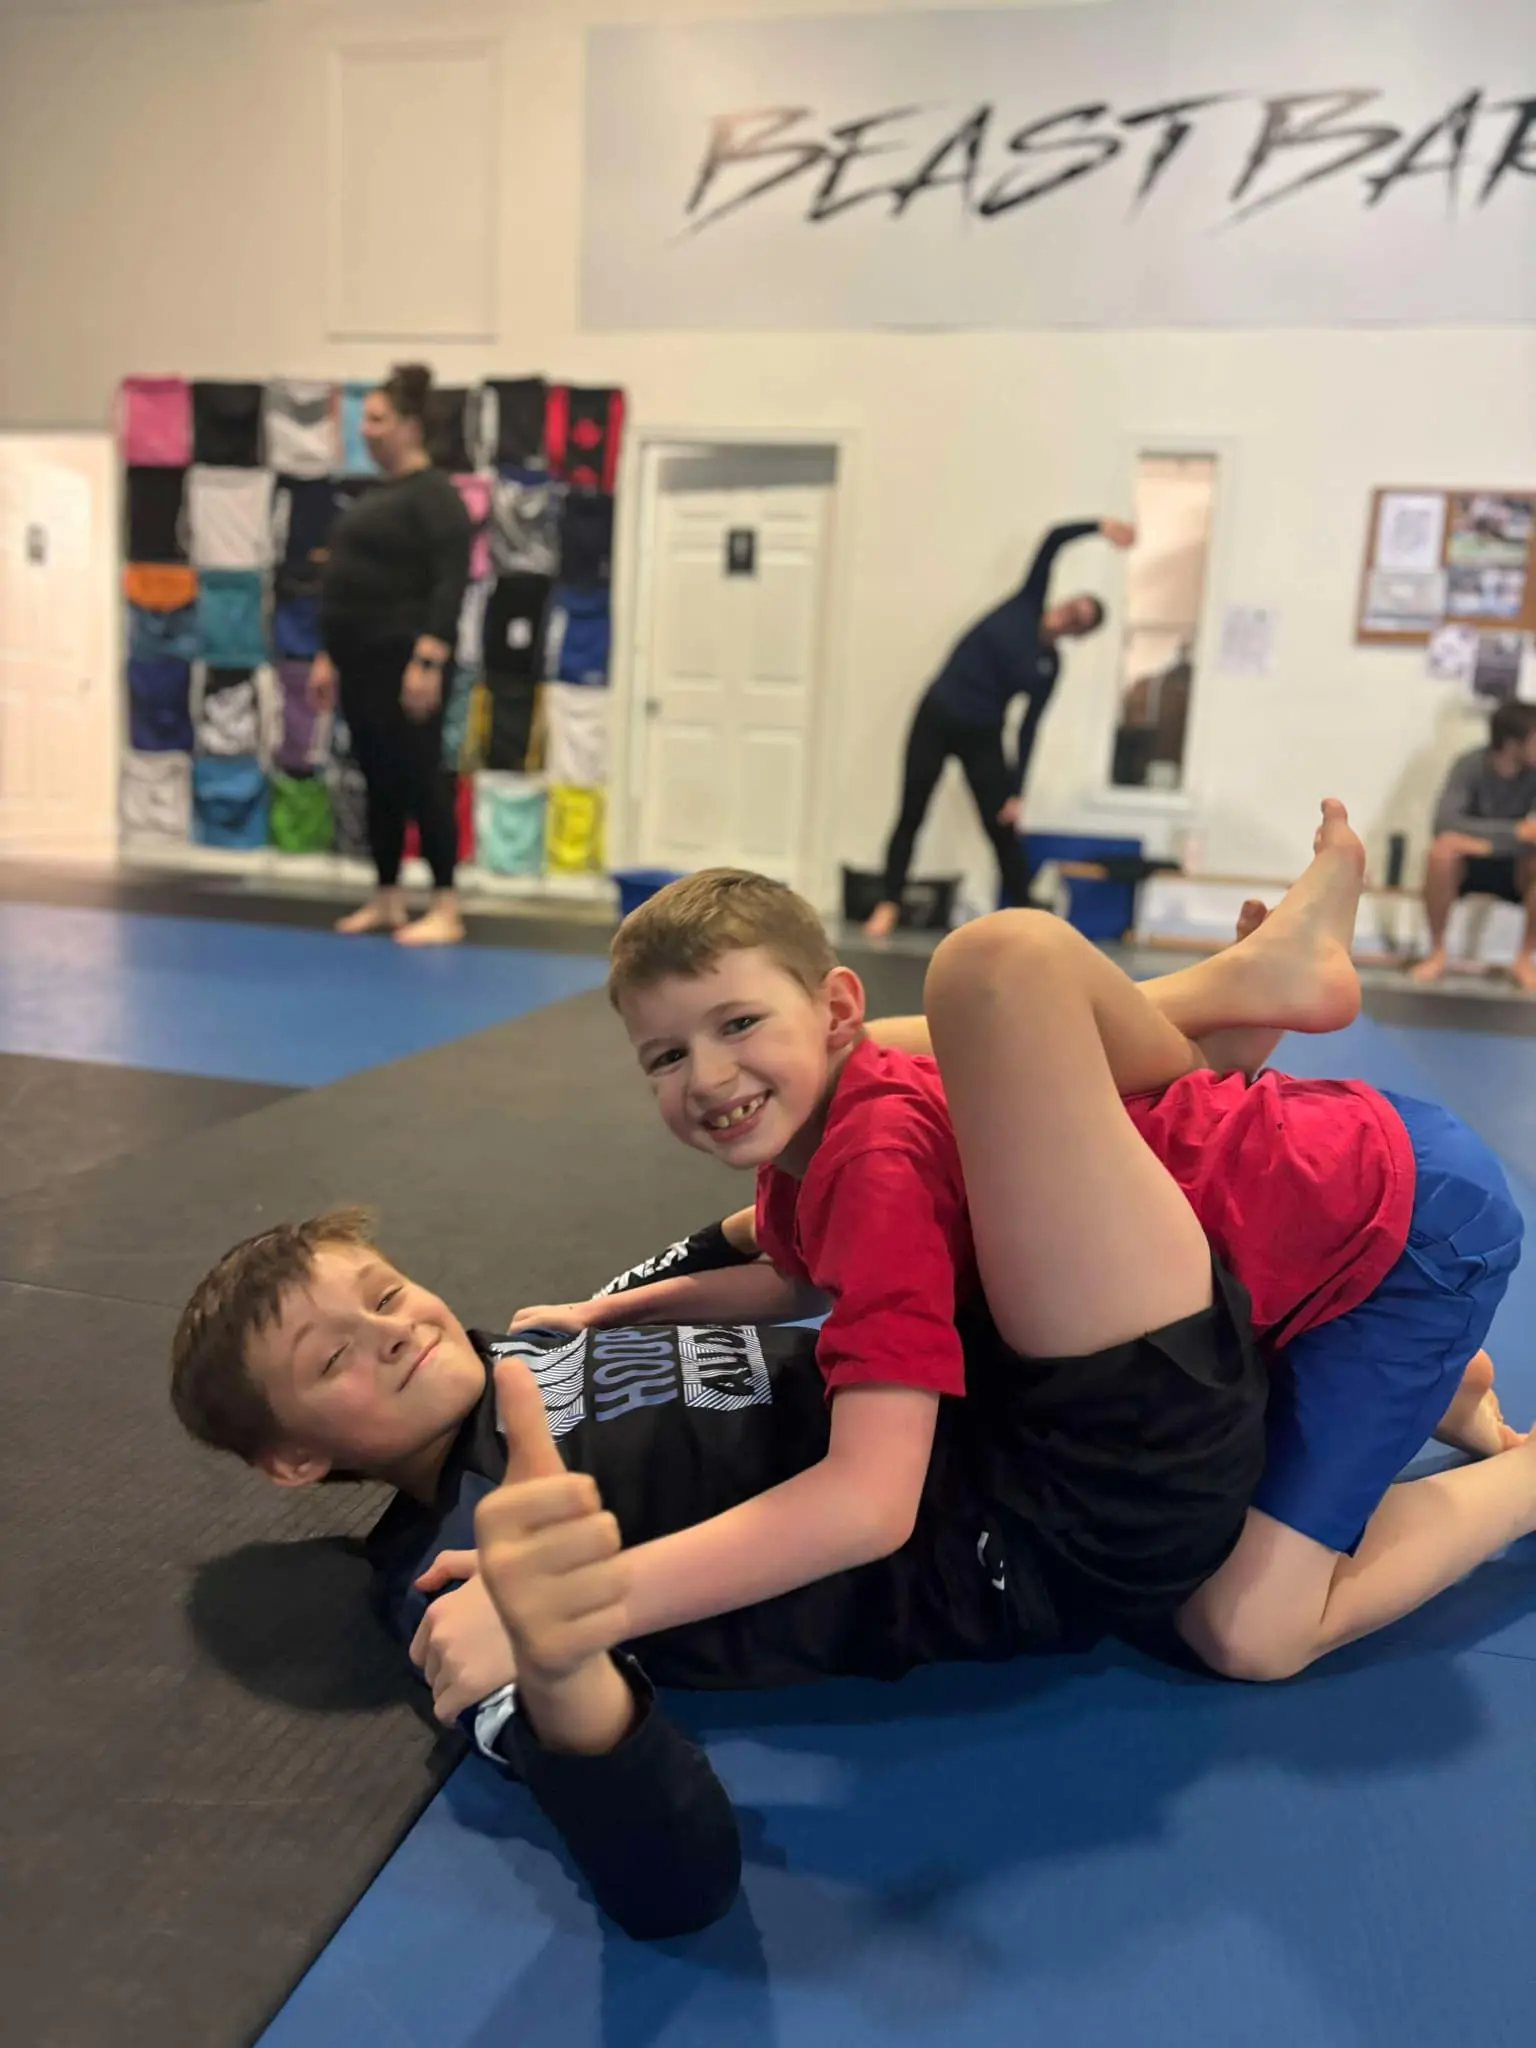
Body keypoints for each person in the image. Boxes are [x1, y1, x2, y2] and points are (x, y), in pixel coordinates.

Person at [522, 813, 1526, 1682]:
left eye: (737, 1023)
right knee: (996, 1029)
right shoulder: (814, 1138)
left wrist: (588, 1607)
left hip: (1402, 1224)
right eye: (666, 1055)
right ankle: (1430, 1370)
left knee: (1247, 1629)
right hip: (1278, 1224)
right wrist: (624, 1309)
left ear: (833, 1008)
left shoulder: (872, 1153)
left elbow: (871, 1500)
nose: (704, 1076)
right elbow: (792, 1274)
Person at [863, 518, 1134, 939]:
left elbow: (1029, 728)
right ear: (1063, 601)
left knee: (1003, 826)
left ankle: (1030, 914)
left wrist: (1017, 792)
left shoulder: (1048, 667)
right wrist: (1099, 528)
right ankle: (888, 903)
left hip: (982, 734)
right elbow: (1053, 541)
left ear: (1079, 634)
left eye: (1080, 620)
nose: (1070, 615)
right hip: (937, 715)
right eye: (1074, 606)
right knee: (911, 812)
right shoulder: (1026, 603)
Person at [309, 363, 472, 947]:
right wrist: (330, 655)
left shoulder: (437, 497)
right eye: (364, 418)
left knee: (421, 779)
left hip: (407, 666)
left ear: (409, 426)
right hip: (361, 663)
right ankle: (386, 898)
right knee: (376, 780)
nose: (366, 430)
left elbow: (450, 583)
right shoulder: (381, 495)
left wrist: (427, 661)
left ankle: (446, 907)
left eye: (376, 419)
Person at [1411, 699, 1536, 992]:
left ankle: (1523, 959)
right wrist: (1514, 832)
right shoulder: (1469, 766)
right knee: (1441, 852)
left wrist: (1484, 844)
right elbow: (1444, 824)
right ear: (1511, 742)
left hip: (1512, 865)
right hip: (1468, 866)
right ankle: (1437, 952)